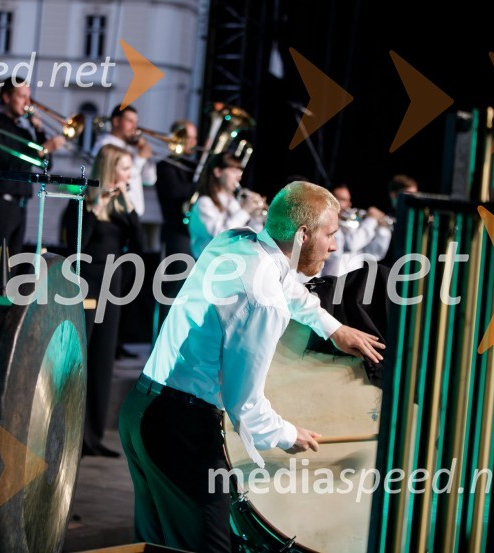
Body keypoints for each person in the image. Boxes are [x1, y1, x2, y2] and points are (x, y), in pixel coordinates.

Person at [119, 181, 385, 551]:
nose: (335, 246)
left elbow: (286, 285)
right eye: (331, 235)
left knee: (153, 547)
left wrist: (334, 327)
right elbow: (244, 406)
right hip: (179, 429)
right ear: (303, 234)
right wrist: (289, 435)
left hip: (139, 410)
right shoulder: (263, 302)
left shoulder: (235, 241)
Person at [0, 77, 65, 360]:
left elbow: (44, 166)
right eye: (22, 95)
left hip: (21, 205)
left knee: (10, 274)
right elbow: (8, 162)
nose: (27, 101)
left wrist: (39, 136)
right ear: (7, 97)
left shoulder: (23, 130)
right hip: (1, 203)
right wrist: (42, 148)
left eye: (28, 95)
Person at [63, 144, 144, 457]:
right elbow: (76, 245)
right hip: (86, 282)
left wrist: (130, 208)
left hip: (113, 285)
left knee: (102, 361)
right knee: (81, 358)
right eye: (124, 168)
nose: (127, 175)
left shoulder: (123, 208)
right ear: (110, 169)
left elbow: (138, 245)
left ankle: (93, 436)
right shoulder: (83, 201)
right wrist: (95, 211)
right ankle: (72, 433)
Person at [154, 120, 198, 332]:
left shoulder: (194, 167)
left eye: (194, 138)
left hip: (194, 234)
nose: (192, 142)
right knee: (172, 290)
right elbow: (174, 192)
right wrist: (200, 182)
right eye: (187, 137)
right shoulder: (165, 166)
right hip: (175, 234)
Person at [188, 153, 267, 259]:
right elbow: (220, 237)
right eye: (234, 171)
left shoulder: (233, 202)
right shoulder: (204, 203)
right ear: (218, 172)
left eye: (240, 171)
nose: (239, 177)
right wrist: (245, 211)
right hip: (209, 267)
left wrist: (257, 217)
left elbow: (250, 239)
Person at [92, 105, 156, 217]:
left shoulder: (132, 148)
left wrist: (145, 154)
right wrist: (140, 157)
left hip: (132, 211)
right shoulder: (105, 145)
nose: (135, 127)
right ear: (116, 121)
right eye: (130, 121)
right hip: (115, 210)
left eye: (136, 122)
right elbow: (113, 176)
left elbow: (150, 179)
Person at [321, 183, 392, 276]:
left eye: (349, 200)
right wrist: (371, 220)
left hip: (352, 284)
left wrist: (382, 230)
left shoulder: (353, 224)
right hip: (332, 283)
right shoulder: (326, 225)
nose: (349, 204)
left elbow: (374, 253)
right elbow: (351, 244)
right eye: (343, 200)